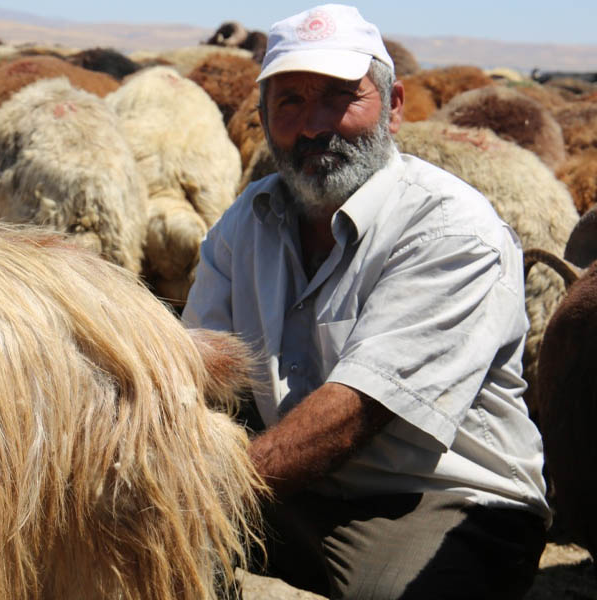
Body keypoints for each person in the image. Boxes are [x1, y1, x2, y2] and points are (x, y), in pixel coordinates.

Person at [183, 4, 551, 599]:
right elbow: (198, 376)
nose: (313, 125)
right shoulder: (245, 223)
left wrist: (196, 490)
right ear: (262, 117)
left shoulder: (450, 231)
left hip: (435, 496)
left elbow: (357, 411)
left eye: (340, 98)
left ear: (395, 106)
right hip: (289, 486)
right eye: (291, 103)